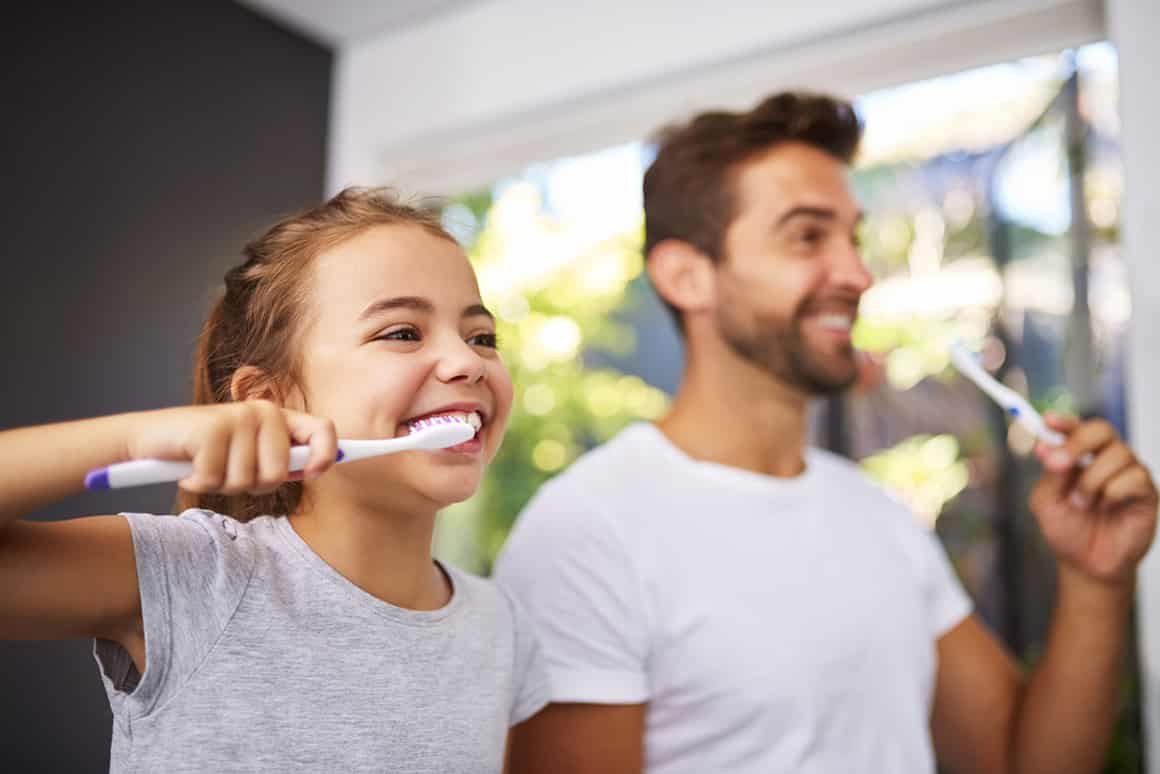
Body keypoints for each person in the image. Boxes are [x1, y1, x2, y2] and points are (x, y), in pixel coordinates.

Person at [495, 92, 1158, 773]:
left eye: (854, 238)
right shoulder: (586, 535)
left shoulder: (875, 515)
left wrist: (1094, 582)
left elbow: (1023, 765)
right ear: (687, 276)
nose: (857, 274)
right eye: (808, 236)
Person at [0, 187, 548, 773]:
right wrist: (131, 438)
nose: (467, 362)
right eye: (402, 333)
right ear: (269, 399)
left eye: (482, 337)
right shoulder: (193, 575)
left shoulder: (502, 628)